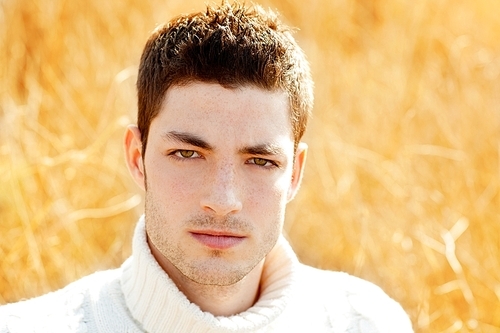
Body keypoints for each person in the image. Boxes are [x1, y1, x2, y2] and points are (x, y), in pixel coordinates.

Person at [0, 2, 413, 332]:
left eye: (259, 161)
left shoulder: (367, 322)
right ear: (136, 158)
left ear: (295, 173)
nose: (223, 200)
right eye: (188, 154)